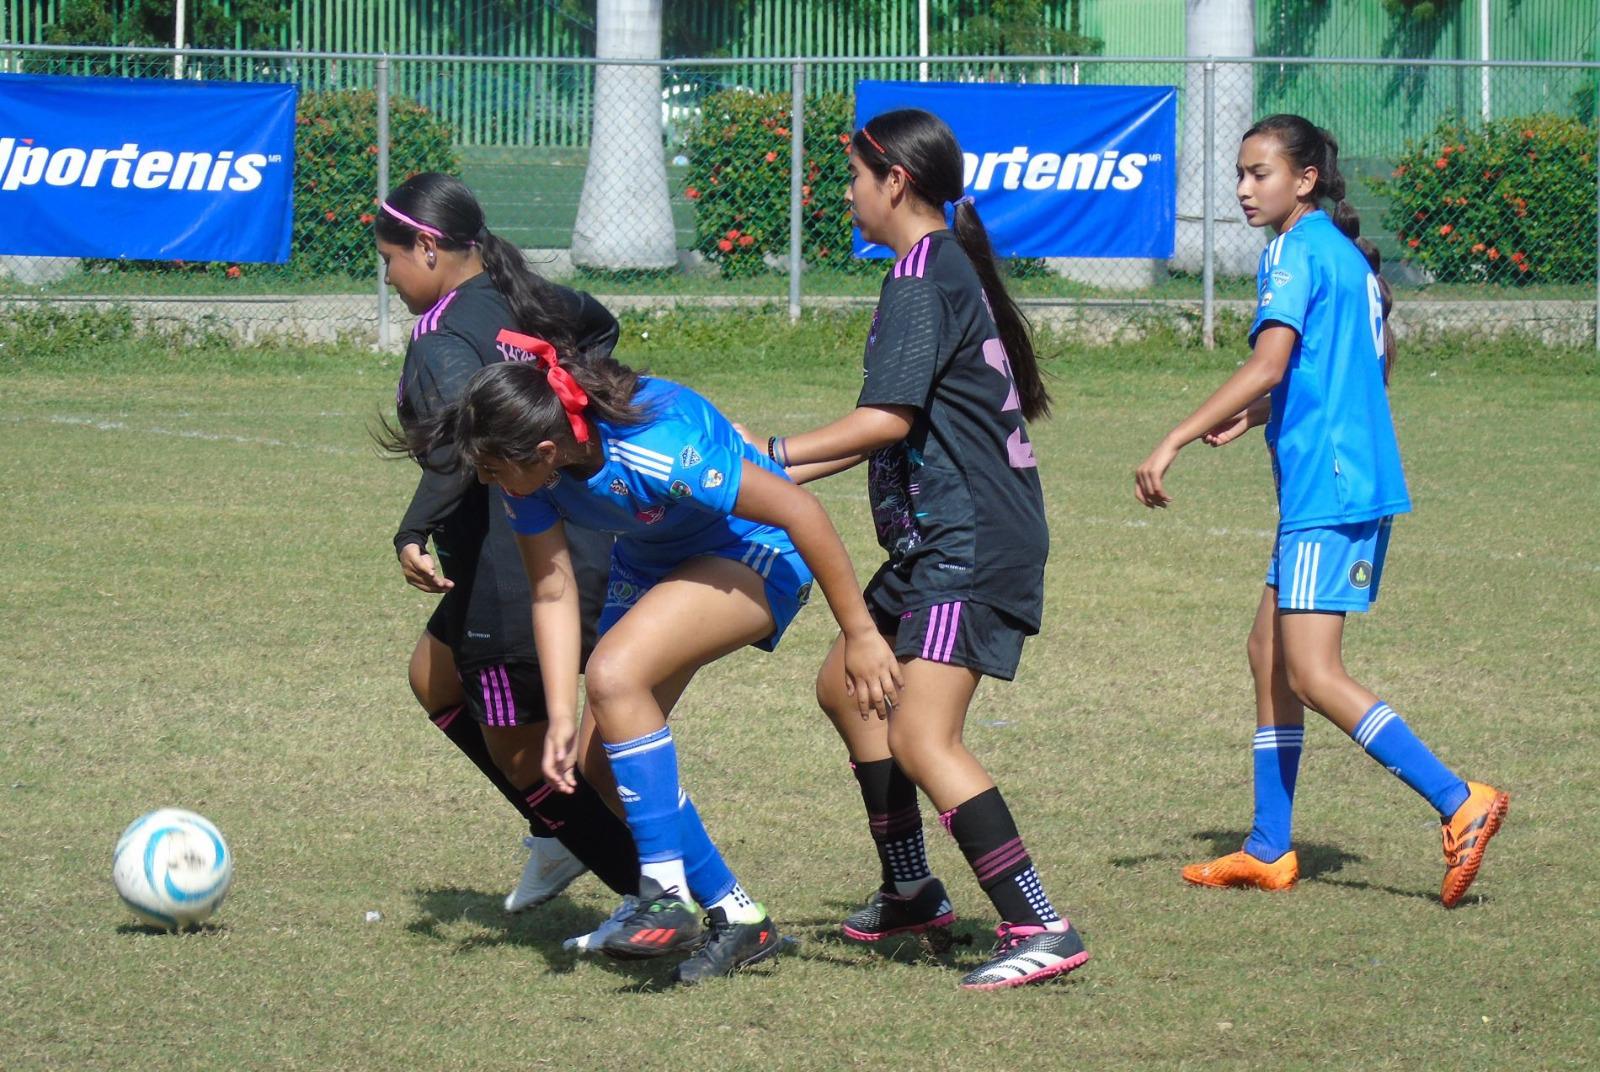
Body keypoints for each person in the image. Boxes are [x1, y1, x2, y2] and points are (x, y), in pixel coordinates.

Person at [398, 347, 903, 985]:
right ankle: (739, 917)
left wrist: (859, 633)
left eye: (495, 469)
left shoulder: (656, 446)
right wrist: (559, 713)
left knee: (614, 673)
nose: (491, 482)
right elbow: (551, 592)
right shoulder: (536, 473)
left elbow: (799, 510)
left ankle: (662, 894)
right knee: (601, 764)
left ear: (546, 452)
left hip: (752, 549)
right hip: (656, 562)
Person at [746, 108, 1090, 990]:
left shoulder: (918, 277)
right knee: (846, 687)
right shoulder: (939, 265)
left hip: (968, 545)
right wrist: (762, 479)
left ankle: (1038, 922)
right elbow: (885, 435)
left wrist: (766, 455)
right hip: (940, 539)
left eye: (855, 178)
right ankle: (911, 891)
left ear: (894, 179)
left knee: (921, 732)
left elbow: (882, 421)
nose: (847, 194)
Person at [1133, 114, 1508, 907]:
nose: (1242, 187)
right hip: (1342, 480)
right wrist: (1263, 414)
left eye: (1259, 173)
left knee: (1312, 670)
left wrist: (1175, 436)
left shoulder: (1296, 251)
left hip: (1328, 491)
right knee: (1268, 652)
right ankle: (1270, 847)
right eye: (1239, 172)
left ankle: (1459, 800)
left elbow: (1271, 359)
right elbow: (1351, 366)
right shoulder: (1342, 255)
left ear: (1303, 180)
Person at [379, 172, 639, 914]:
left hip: (515, 562)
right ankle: (563, 835)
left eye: (391, 259)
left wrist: (413, 527)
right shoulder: (521, 293)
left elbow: (468, 442)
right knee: (435, 676)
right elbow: (599, 324)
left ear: (427, 247)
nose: (392, 277)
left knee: (524, 754)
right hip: (574, 530)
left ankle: (649, 890)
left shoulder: (443, 338)